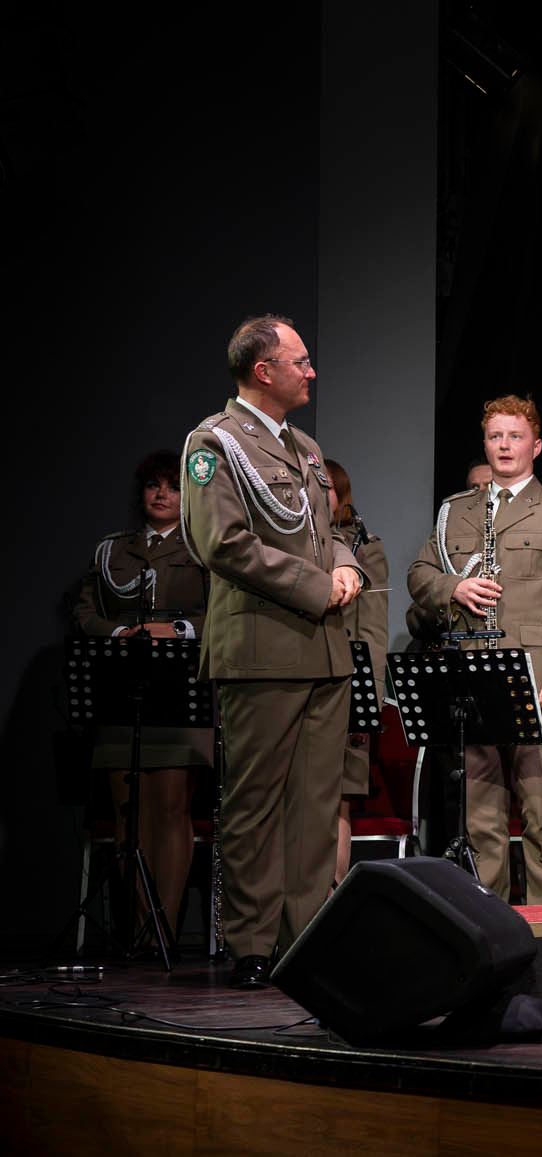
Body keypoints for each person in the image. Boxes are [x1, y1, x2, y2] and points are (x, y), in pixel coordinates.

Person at [181, 315, 363, 988]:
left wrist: (345, 565)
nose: (311, 371)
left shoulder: (305, 447)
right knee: (255, 802)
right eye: (300, 361)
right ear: (264, 371)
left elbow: (327, 530)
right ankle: (253, 943)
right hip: (262, 648)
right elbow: (221, 543)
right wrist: (318, 585)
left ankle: (302, 938)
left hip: (323, 649)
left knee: (315, 806)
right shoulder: (215, 443)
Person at [407, 395, 542, 905]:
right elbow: (419, 573)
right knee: (480, 814)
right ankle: (491, 925)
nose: (504, 445)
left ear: (536, 445)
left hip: (535, 674)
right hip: (471, 672)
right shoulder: (457, 509)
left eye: (515, 436)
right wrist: (454, 587)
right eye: (495, 436)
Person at [72, 450, 211, 949]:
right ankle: (136, 930)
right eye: (153, 485)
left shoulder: (203, 548)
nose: (161, 495)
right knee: (128, 812)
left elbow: (221, 612)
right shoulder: (112, 549)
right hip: (120, 691)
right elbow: (85, 611)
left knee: (170, 809)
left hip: (180, 691)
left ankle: (162, 930)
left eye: (172, 487)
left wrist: (177, 629)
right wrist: (118, 633)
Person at [326, 460, 389, 884]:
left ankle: (330, 902)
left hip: (348, 688)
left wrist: (370, 702)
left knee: (337, 801)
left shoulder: (365, 546)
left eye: (329, 488)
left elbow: (374, 633)